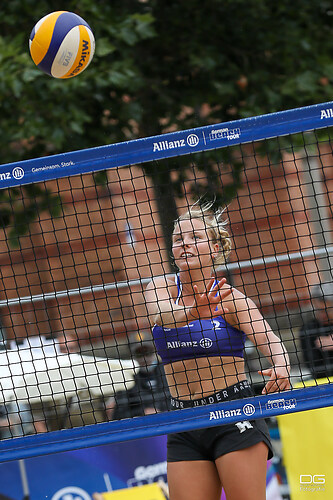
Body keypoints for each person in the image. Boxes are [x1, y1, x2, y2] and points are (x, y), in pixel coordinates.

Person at [145, 202, 290, 500]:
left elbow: (272, 340)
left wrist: (281, 366)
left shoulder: (230, 298)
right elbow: (161, 315)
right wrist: (192, 312)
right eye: (177, 239)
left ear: (214, 247)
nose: (184, 244)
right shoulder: (161, 288)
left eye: (195, 237)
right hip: (184, 419)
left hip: (233, 413)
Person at [106, 333, 170, 420]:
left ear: (155, 350)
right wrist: (143, 412)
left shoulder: (168, 370)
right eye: (139, 354)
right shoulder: (126, 378)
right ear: (132, 355)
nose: (145, 358)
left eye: (148, 352)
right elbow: (118, 415)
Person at [299, 282, 333, 378]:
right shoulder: (308, 329)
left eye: (327, 310)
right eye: (318, 310)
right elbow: (314, 367)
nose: (322, 315)